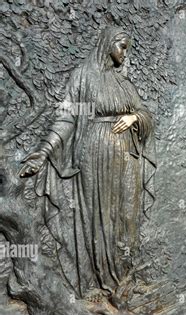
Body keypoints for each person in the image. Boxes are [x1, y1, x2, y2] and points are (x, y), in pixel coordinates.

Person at [18, 27, 156, 300]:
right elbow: (67, 117)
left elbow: (144, 112)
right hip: (95, 155)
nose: (125, 54)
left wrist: (135, 118)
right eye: (122, 47)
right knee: (99, 218)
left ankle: (126, 276)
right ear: (107, 44)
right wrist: (45, 150)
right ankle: (102, 281)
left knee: (128, 217)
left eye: (127, 48)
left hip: (128, 156)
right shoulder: (83, 76)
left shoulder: (124, 82)